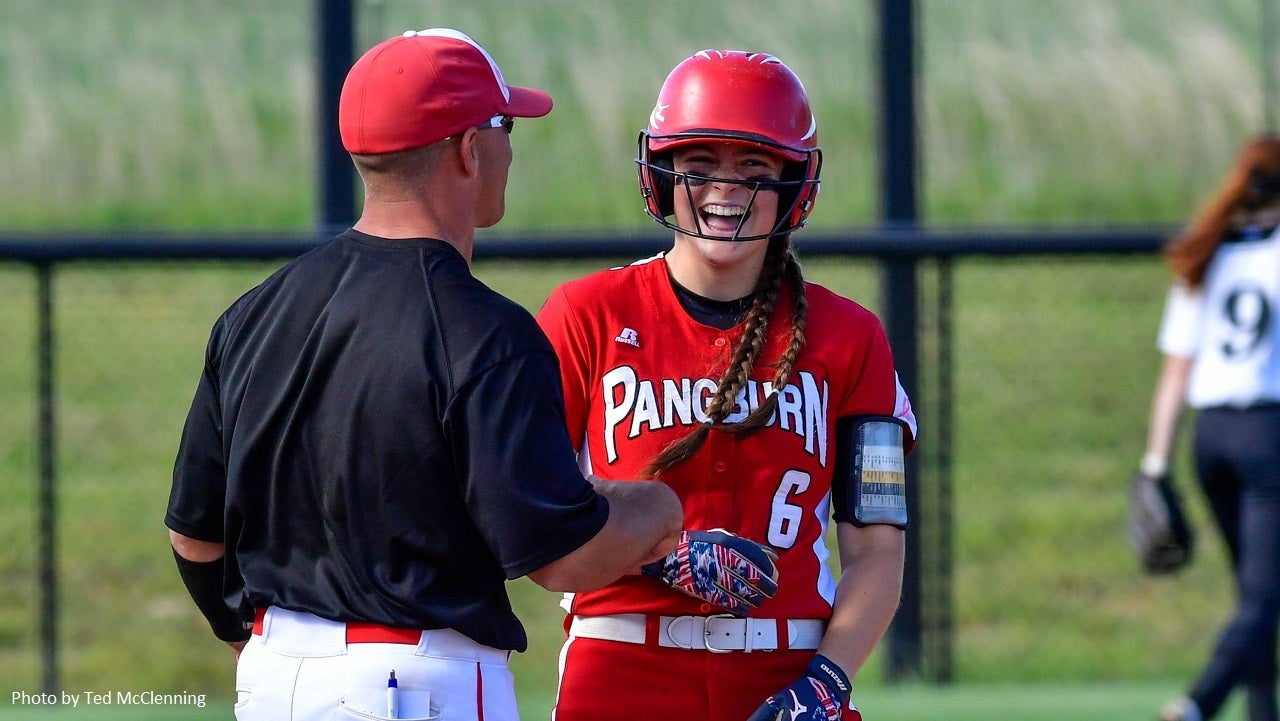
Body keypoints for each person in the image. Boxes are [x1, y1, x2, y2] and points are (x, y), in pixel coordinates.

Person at [164, 28, 690, 721]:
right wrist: (658, 507)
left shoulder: (253, 315)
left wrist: (254, 642)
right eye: (505, 125)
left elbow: (194, 536)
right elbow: (562, 554)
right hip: (414, 686)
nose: (511, 144)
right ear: (469, 150)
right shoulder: (485, 333)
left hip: (273, 677)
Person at [535, 49, 919, 721]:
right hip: (621, 668)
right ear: (663, 173)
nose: (725, 187)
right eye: (700, 164)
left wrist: (828, 680)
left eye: (754, 166)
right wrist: (656, 553)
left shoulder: (851, 336)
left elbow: (878, 548)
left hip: (789, 670)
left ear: (794, 182)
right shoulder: (587, 314)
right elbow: (530, 519)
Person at [1134, 133, 1280, 721]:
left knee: (1255, 597)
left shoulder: (1208, 251)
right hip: (1268, 435)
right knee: (1263, 598)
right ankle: (1198, 704)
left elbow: (1176, 373)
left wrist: (1155, 463)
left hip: (1210, 437)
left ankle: (1262, 710)